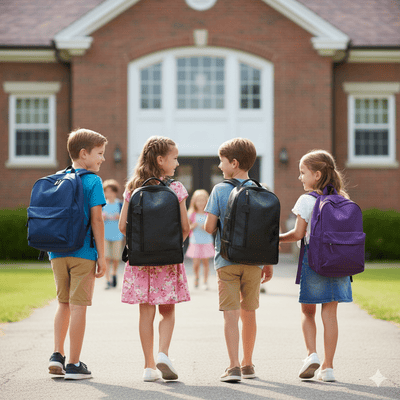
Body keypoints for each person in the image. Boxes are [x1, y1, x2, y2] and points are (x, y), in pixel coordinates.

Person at [119, 136, 191, 382]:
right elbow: (185, 227)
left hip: (140, 261)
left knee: (145, 313)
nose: (178, 162)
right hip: (168, 260)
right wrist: (170, 246)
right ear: (161, 160)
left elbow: (121, 226)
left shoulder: (132, 188)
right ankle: (163, 353)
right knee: (167, 311)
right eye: (175, 158)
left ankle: (149, 367)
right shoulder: (176, 189)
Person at [279, 149, 353, 383]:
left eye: (303, 173)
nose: (300, 178)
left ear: (318, 174)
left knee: (307, 311)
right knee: (330, 313)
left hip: (315, 260)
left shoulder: (307, 200)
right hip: (340, 262)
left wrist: (275, 238)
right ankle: (328, 368)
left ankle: (311, 354)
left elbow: (297, 234)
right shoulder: (343, 199)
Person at [204, 138, 273, 383]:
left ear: (233, 163)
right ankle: (248, 364)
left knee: (230, 313)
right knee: (250, 312)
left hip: (227, 261)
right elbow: (267, 231)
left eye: (222, 162)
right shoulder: (262, 189)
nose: (220, 166)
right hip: (254, 261)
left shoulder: (220, 190)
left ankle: (232, 366)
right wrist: (268, 262)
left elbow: (209, 226)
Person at [48, 128, 107, 380]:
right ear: (84, 154)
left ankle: (56, 355)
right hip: (83, 252)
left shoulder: (56, 179)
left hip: (57, 251)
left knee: (63, 303)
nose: (103, 159)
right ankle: (73, 364)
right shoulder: (93, 181)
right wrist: (102, 257)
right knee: (79, 306)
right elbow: (97, 220)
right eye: (99, 153)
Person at [186, 189, 214, 290]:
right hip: (195, 241)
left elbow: (212, 228)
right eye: (198, 201)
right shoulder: (191, 214)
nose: (201, 203)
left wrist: (206, 227)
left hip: (206, 241)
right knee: (196, 263)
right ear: (194, 202)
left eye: (203, 200)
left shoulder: (208, 214)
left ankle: (205, 281)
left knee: (206, 263)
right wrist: (194, 225)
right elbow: (187, 228)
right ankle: (196, 277)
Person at [102, 179, 124, 289]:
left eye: (111, 191)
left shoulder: (120, 204)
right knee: (106, 257)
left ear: (115, 192)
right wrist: (102, 218)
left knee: (115, 258)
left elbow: (125, 219)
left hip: (117, 235)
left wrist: (119, 217)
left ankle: (114, 273)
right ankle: (107, 280)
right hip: (105, 235)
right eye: (106, 191)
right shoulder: (102, 204)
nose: (108, 194)